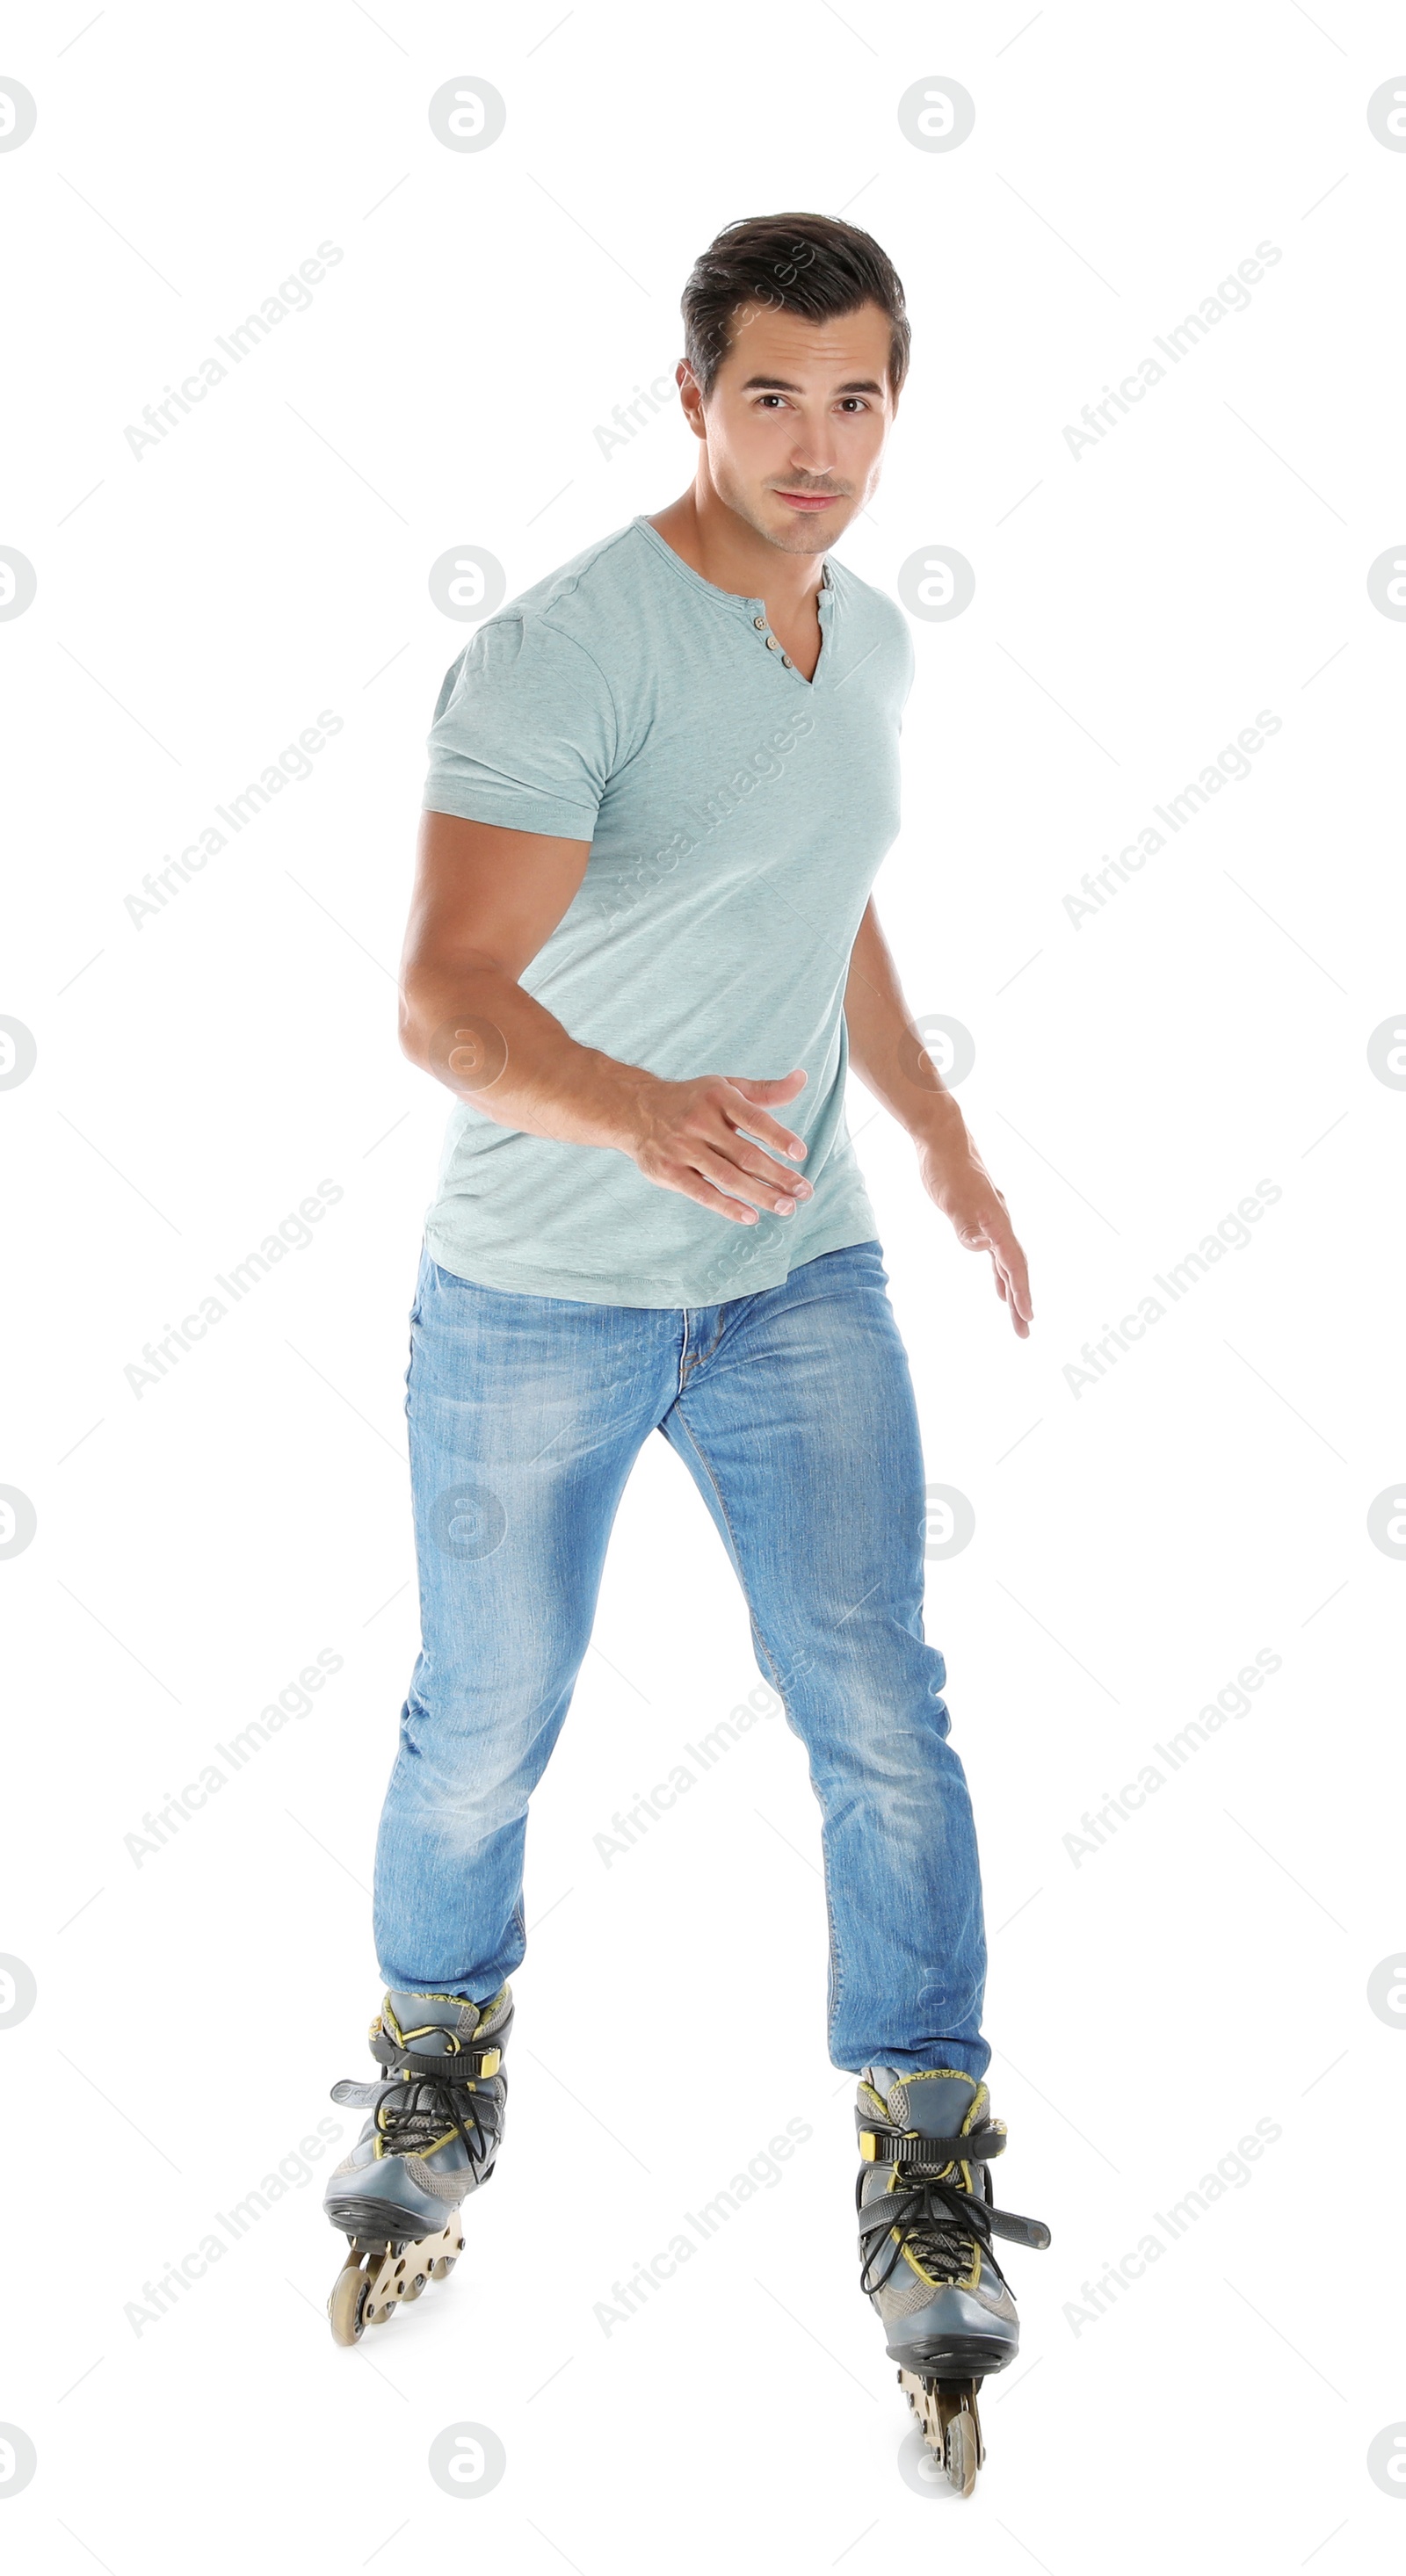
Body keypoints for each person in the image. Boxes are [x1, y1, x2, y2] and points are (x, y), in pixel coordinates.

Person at [321, 209, 1048, 2488]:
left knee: (882, 1709)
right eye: (771, 398)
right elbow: (443, 998)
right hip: (539, 1290)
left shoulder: (875, 642)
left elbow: (810, 898)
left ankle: (923, 2138)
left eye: (856, 399)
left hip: (793, 1279)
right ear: (693, 401)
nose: (817, 447)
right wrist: (642, 1113)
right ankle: (437, 2062)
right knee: (486, 1724)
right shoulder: (565, 656)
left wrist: (929, 1126)